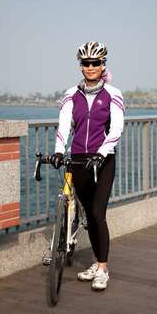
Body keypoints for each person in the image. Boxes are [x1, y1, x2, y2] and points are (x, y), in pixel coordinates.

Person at [51, 41, 124, 291]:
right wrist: (59, 151)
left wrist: (103, 153)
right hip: (79, 160)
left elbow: (116, 129)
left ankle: (103, 268)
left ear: (103, 65)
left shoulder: (113, 94)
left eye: (95, 63)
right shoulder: (71, 93)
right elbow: (63, 125)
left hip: (103, 161)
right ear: (81, 66)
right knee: (89, 218)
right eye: (86, 63)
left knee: (97, 213)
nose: (91, 67)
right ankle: (96, 261)